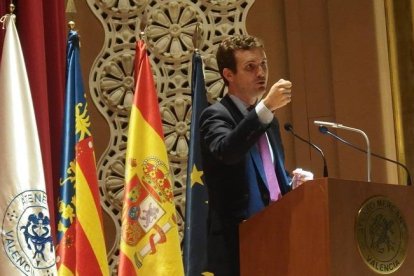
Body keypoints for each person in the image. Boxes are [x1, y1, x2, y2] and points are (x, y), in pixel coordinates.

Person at [199, 34, 312, 275]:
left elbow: (266, 179)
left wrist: (292, 183)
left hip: (276, 237)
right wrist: (266, 107)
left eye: (264, 64)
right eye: (250, 67)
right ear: (228, 75)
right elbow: (228, 151)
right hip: (238, 244)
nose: (261, 73)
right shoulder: (216, 116)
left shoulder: (268, 121)